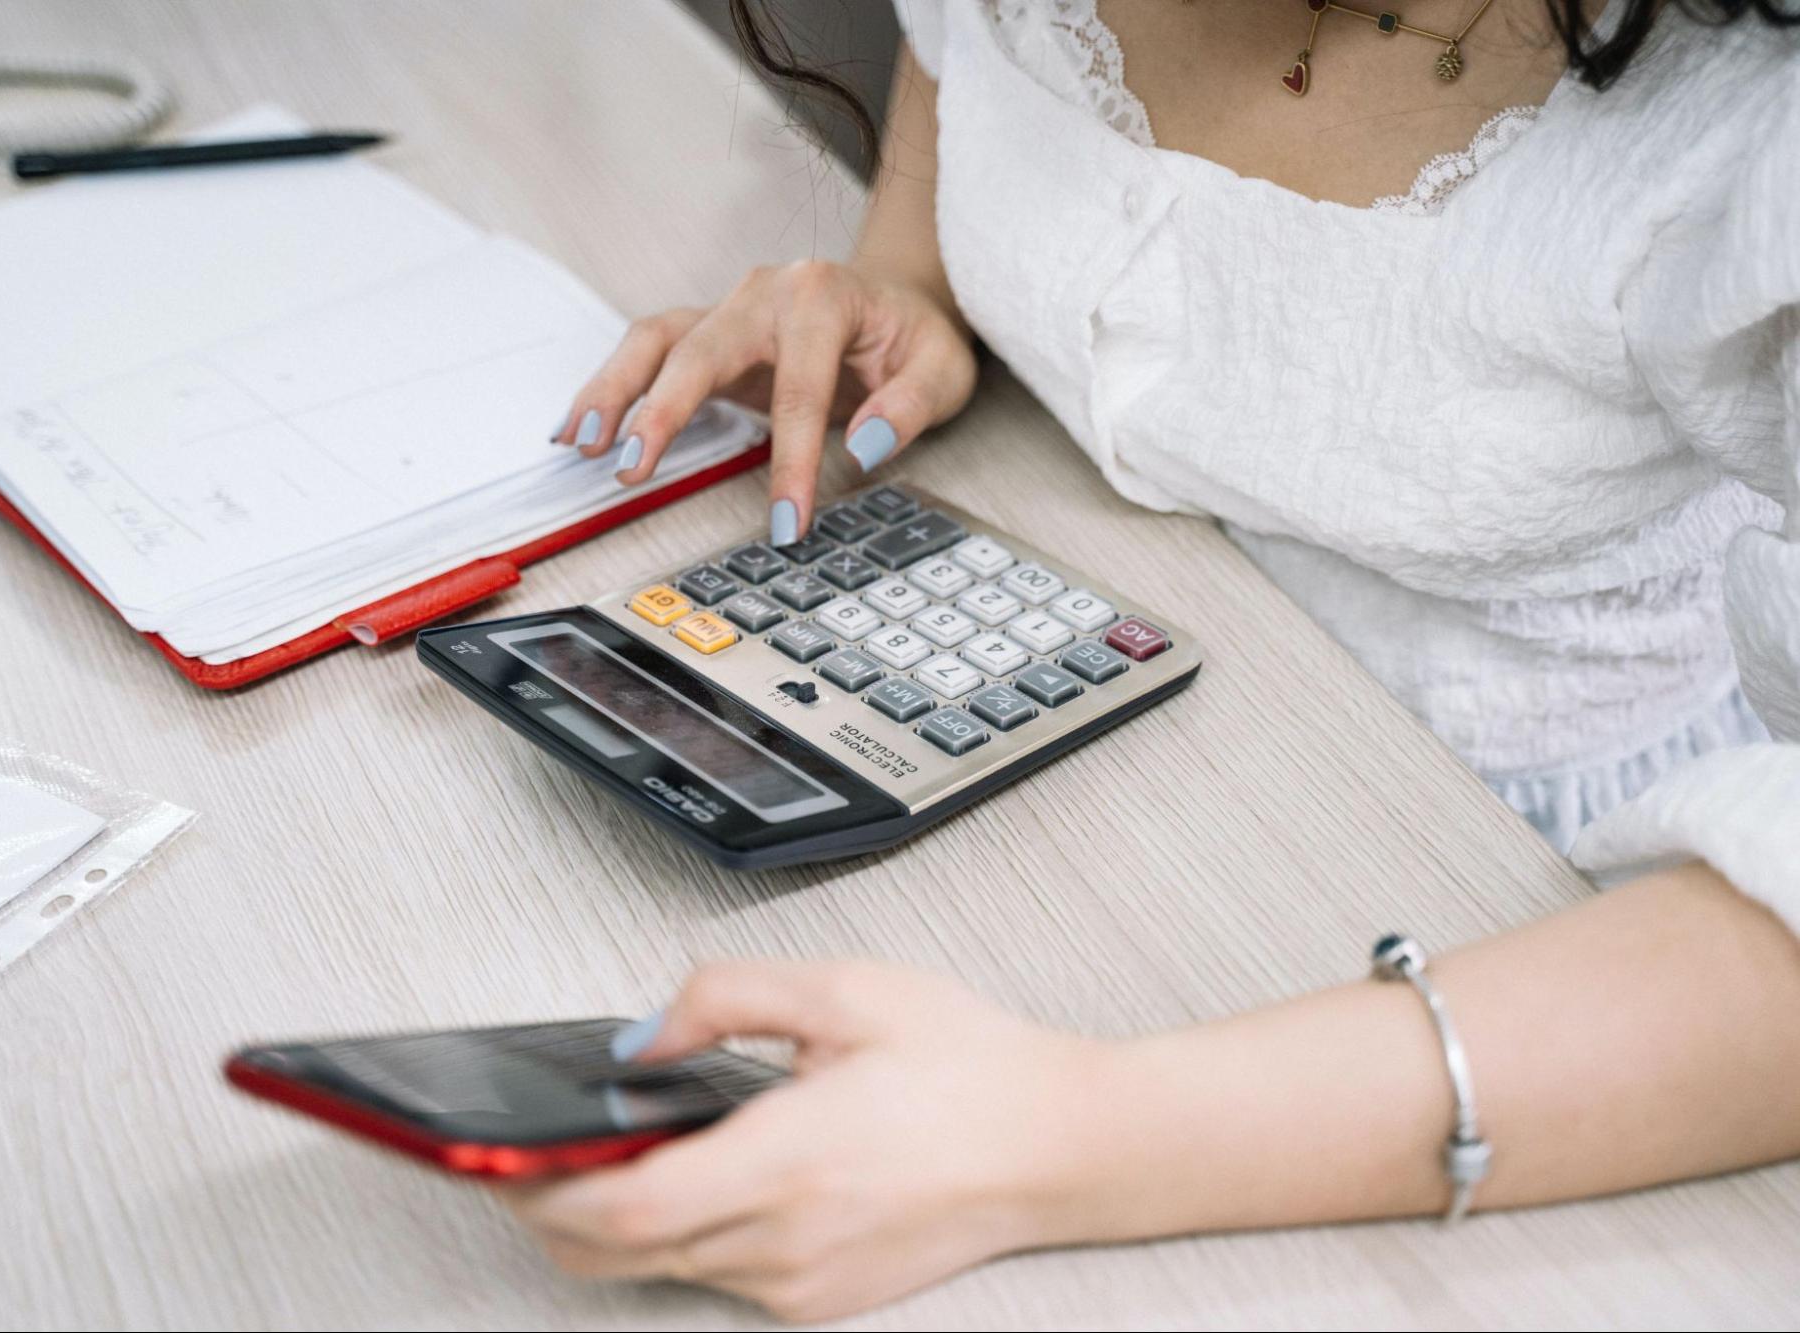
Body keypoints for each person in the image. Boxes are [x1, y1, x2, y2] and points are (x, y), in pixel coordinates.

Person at [530, 1, 1800, 1320]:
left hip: (1557, 941)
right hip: (1122, 780)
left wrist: (1051, 1139)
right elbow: (959, 98)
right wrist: (904, 289)